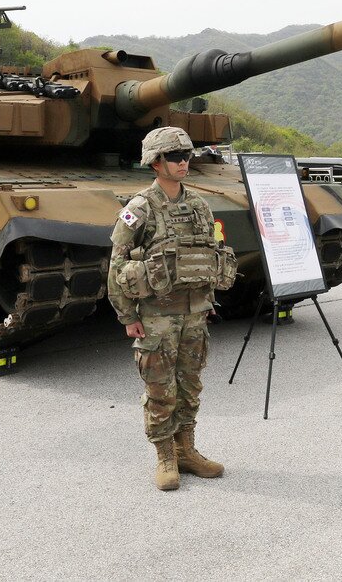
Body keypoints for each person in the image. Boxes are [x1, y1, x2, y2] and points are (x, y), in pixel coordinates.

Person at [106, 127, 237, 491]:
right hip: (157, 314)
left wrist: (208, 296)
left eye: (187, 156)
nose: (184, 162)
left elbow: (210, 251)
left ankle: (187, 451)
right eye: (176, 157)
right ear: (156, 162)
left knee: (190, 384)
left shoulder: (198, 205)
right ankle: (165, 456)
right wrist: (128, 316)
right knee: (160, 388)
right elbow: (116, 266)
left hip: (195, 312)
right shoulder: (139, 209)